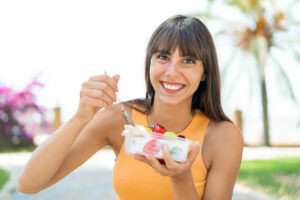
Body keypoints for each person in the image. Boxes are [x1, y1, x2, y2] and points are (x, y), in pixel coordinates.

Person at [18, 15, 243, 200]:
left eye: (188, 61)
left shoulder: (222, 137)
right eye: (163, 57)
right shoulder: (120, 119)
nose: (172, 71)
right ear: (149, 63)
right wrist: (80, 117)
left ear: (205, 72)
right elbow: (29, 184)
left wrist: (181, 177)